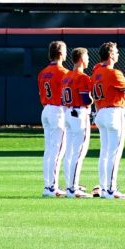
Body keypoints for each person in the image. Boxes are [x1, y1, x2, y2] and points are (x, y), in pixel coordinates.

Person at [92, 41, 125, 199]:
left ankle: (104, 188)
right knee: (114, 154)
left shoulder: (96, 71)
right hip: (114, 113)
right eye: (116, 52)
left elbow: (98, 68)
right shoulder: (114, 73)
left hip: (101, 112)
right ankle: (111, 190)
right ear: (110, 55)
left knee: (104, 153)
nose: (118, 54)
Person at [60, 46, 94, 198]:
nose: (88, 59)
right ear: (81, 59)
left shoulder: (66, 76)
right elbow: (86, 99)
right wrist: (93, 99)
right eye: (86, 57)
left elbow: (62, 99)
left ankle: (70, 185)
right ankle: (73, 189)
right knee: (78, 153)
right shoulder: (83, 77)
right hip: (79, 113)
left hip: (68, 112)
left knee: (70, 152)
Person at [37, 40, 69, 198]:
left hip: (46, 110)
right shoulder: (64, 72)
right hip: (58, 111)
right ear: (61, 54)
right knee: (57, 151)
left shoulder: (42, 72)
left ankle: (48, 185)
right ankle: (52, 187)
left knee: (49, 151)